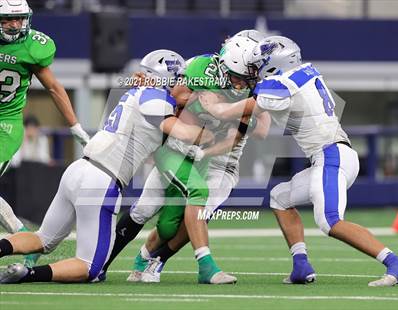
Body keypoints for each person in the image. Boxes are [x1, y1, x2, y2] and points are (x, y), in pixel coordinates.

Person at [199, 35, 398, 287]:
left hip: (331, 155)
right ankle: (301, 265)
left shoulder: (283, 83)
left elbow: (250, 107)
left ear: (274, 63)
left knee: (330, 221)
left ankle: (396, 263)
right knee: (280, 197)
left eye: (260, 63)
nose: (256, 69)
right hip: (331, 155)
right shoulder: (302, 73)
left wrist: (216, 109)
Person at [0, 49, 215, 284]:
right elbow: (184, 133)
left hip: (78, 169)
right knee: (91, 268)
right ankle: (27, 274)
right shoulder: (156, 98)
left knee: (43, 239)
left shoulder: (140, 93)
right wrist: (211, 126)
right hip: (101, 180)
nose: (184, 84)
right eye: (180, 78)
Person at [101, 34, 270, 284]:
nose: (243, 84)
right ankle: (100, 262)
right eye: (240, 77)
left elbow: (260, 130)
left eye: (250, 76)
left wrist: (222, 109)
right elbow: (174, 95)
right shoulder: (200, 67)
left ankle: (153, 261)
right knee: (147, 207)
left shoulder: (258, 80)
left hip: (220, 157)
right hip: (178, 147)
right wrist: (196, 103)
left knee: (183, 219)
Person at [0, 0, 89, 267]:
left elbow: (54, 88)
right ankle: (25, 237)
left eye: (19, 19)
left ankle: (22, 238)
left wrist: (74, 126)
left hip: (5, 123)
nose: (15, 25)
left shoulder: (32, 47)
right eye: (7, 19)